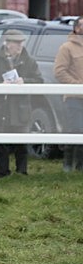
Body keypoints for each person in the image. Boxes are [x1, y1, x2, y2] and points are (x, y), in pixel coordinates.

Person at [0, 29, 43, 177]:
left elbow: (39, 81)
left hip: (21, 108)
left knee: (21, 143)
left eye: (21, 42)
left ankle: (21, 172)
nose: (20, 45)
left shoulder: (30, 61)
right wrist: (0, 85)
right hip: (1, 108)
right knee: (1, 143)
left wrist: (24, 81)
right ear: (7, 44)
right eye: (16, 42)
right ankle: (2, 172)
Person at [53, 16, 83, 172]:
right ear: (76, 28)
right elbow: (59, 71)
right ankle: (68, 165)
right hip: (74, 98)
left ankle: (80, 167)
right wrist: (76, 85)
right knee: (76, 130)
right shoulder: (67, 48)